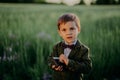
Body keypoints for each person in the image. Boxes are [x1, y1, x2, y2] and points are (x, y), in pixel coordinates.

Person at [48, 13, 92, 80]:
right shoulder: (56, 47)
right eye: (64, 30)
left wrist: (68, 62)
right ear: (60, 32)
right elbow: (50, 59)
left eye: (72, 28)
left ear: (79, 29)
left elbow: (87, 68)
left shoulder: (83, 50)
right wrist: (54, 66)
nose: (68, 33)